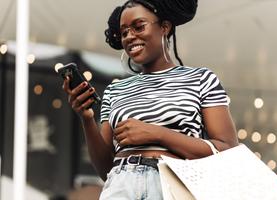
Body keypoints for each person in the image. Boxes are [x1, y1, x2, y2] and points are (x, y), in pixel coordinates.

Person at [63, 0, 239, 199]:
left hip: (173, 185)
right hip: (120, 185)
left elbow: (227, 151)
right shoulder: (116, 90)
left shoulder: (200, 79)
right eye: (124, 32)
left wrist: (156, 134)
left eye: (139, 27)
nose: (130, 36)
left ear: (165, 27)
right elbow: (105, 170)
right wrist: (86, 119)